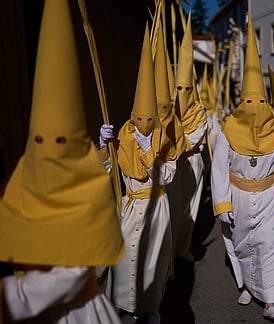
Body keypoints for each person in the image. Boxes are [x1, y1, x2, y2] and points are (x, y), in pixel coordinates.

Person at [0, 0, 124, 322]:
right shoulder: (20, 183)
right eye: (40, 142)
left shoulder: (87, 192)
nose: (51, 151)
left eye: (62, 143)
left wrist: (11, 296)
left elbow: (70, 274)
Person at [210, 13, 274, 322]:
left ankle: (270, 301)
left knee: (271, 248)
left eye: (258, 103)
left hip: (270, 198)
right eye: (248, 103)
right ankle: (247, 285)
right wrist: (222, 204)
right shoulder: (227, 132)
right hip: (237, 196)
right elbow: (219, 170)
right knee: (243, 246)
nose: (254, 110)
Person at [101, 24, 177, 323]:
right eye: (138, 118)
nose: (143, 123)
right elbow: (106, 168)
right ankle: (120, 303)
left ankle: (151, 307)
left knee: (151, 262)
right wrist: (103, 143)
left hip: (156, 209)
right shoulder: (123, 135)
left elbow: (166, 176)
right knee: (123, 261)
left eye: (149, 119)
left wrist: (148, 152)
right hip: (130, 206)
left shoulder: (164, 140)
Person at [169, 13, 208, 263]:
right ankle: (170, 253)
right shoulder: (167, 110)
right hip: (173, 164)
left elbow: (192, 139)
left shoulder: (200, 112)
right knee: (172, 210)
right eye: (178, 89)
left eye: (187, 90)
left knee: (190, 209)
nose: (182, 93)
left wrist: (175, 137)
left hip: (192, 162)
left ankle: (184, 248)